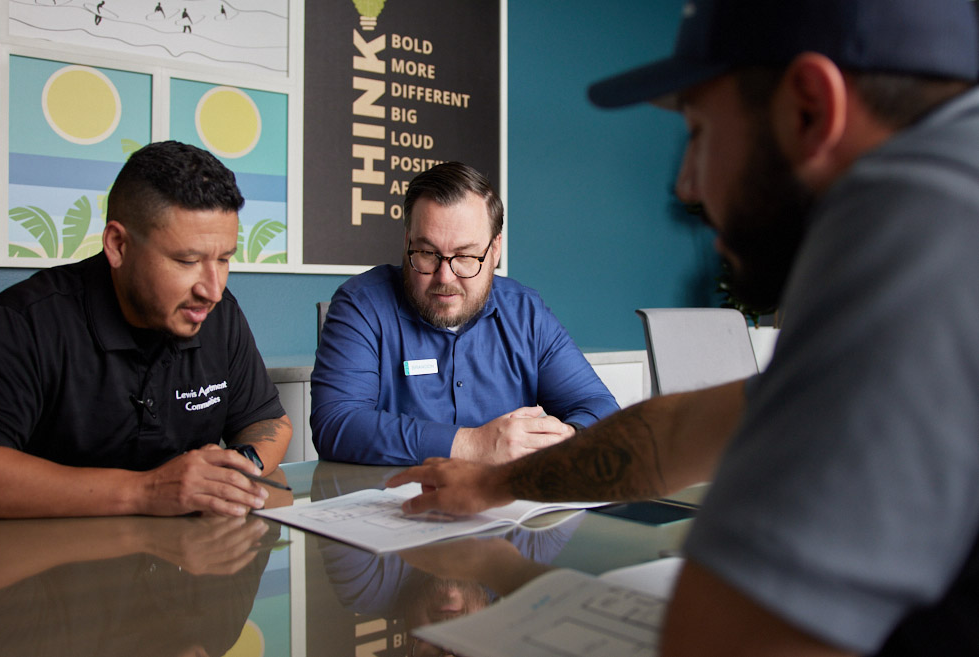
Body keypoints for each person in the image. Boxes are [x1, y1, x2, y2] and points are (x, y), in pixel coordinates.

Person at [387, 0, 979, 655]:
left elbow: (715, 635)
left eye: (696, 131)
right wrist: (494, 482)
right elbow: (677, 433)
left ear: (810, 108)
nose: (686, 184)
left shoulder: (925, 229)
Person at [0, 140, 292, 519]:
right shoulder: (23, 324)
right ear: (118, 245)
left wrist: (234, 469)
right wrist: (146, 492)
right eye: (187, 260)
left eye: (224, 259)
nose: (212, 290)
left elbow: (268, 422)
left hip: (183, 564)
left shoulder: (219, 314)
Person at [311, 162, 619, 465]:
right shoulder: (361, 305)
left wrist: (561, 440)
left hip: (504, 506)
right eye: (428, 253)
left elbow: (598, 406)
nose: (445, 277)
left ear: (495, 250)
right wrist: (473, 444)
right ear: (407, 242)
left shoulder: (525, 313)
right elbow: (336, 424)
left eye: (466, 256)